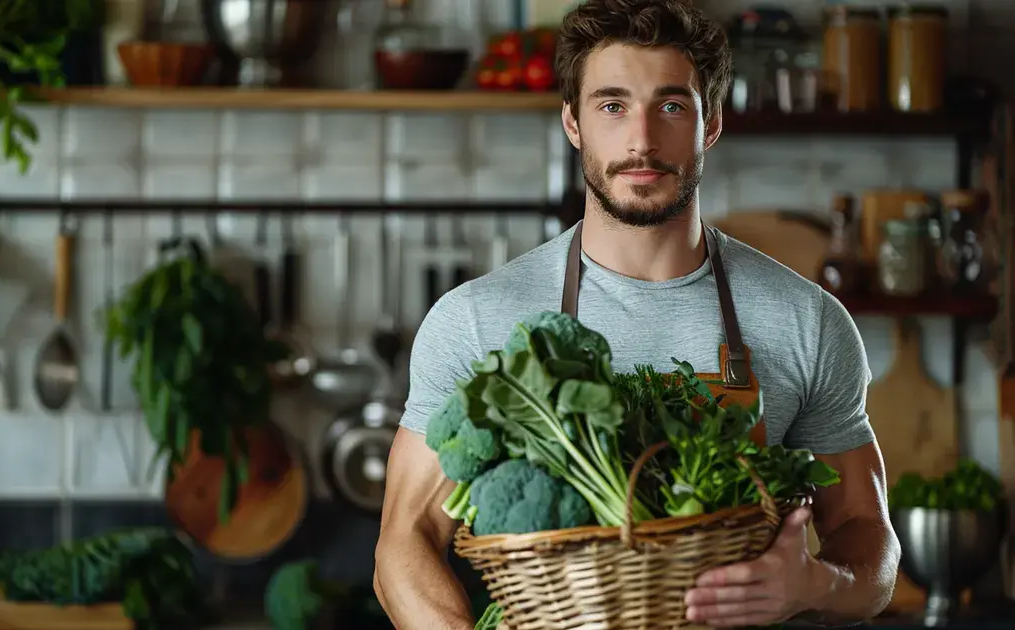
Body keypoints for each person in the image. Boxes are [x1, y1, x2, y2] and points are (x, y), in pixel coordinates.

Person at [373, 0, 900, 627]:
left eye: (672, 106)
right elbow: (401, 543)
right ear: (573, 122)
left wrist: (816, 583)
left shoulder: (806, 321)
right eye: (612, 105)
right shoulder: (477, 321)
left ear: (710, 125)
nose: (642, 140)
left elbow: (870, 539)